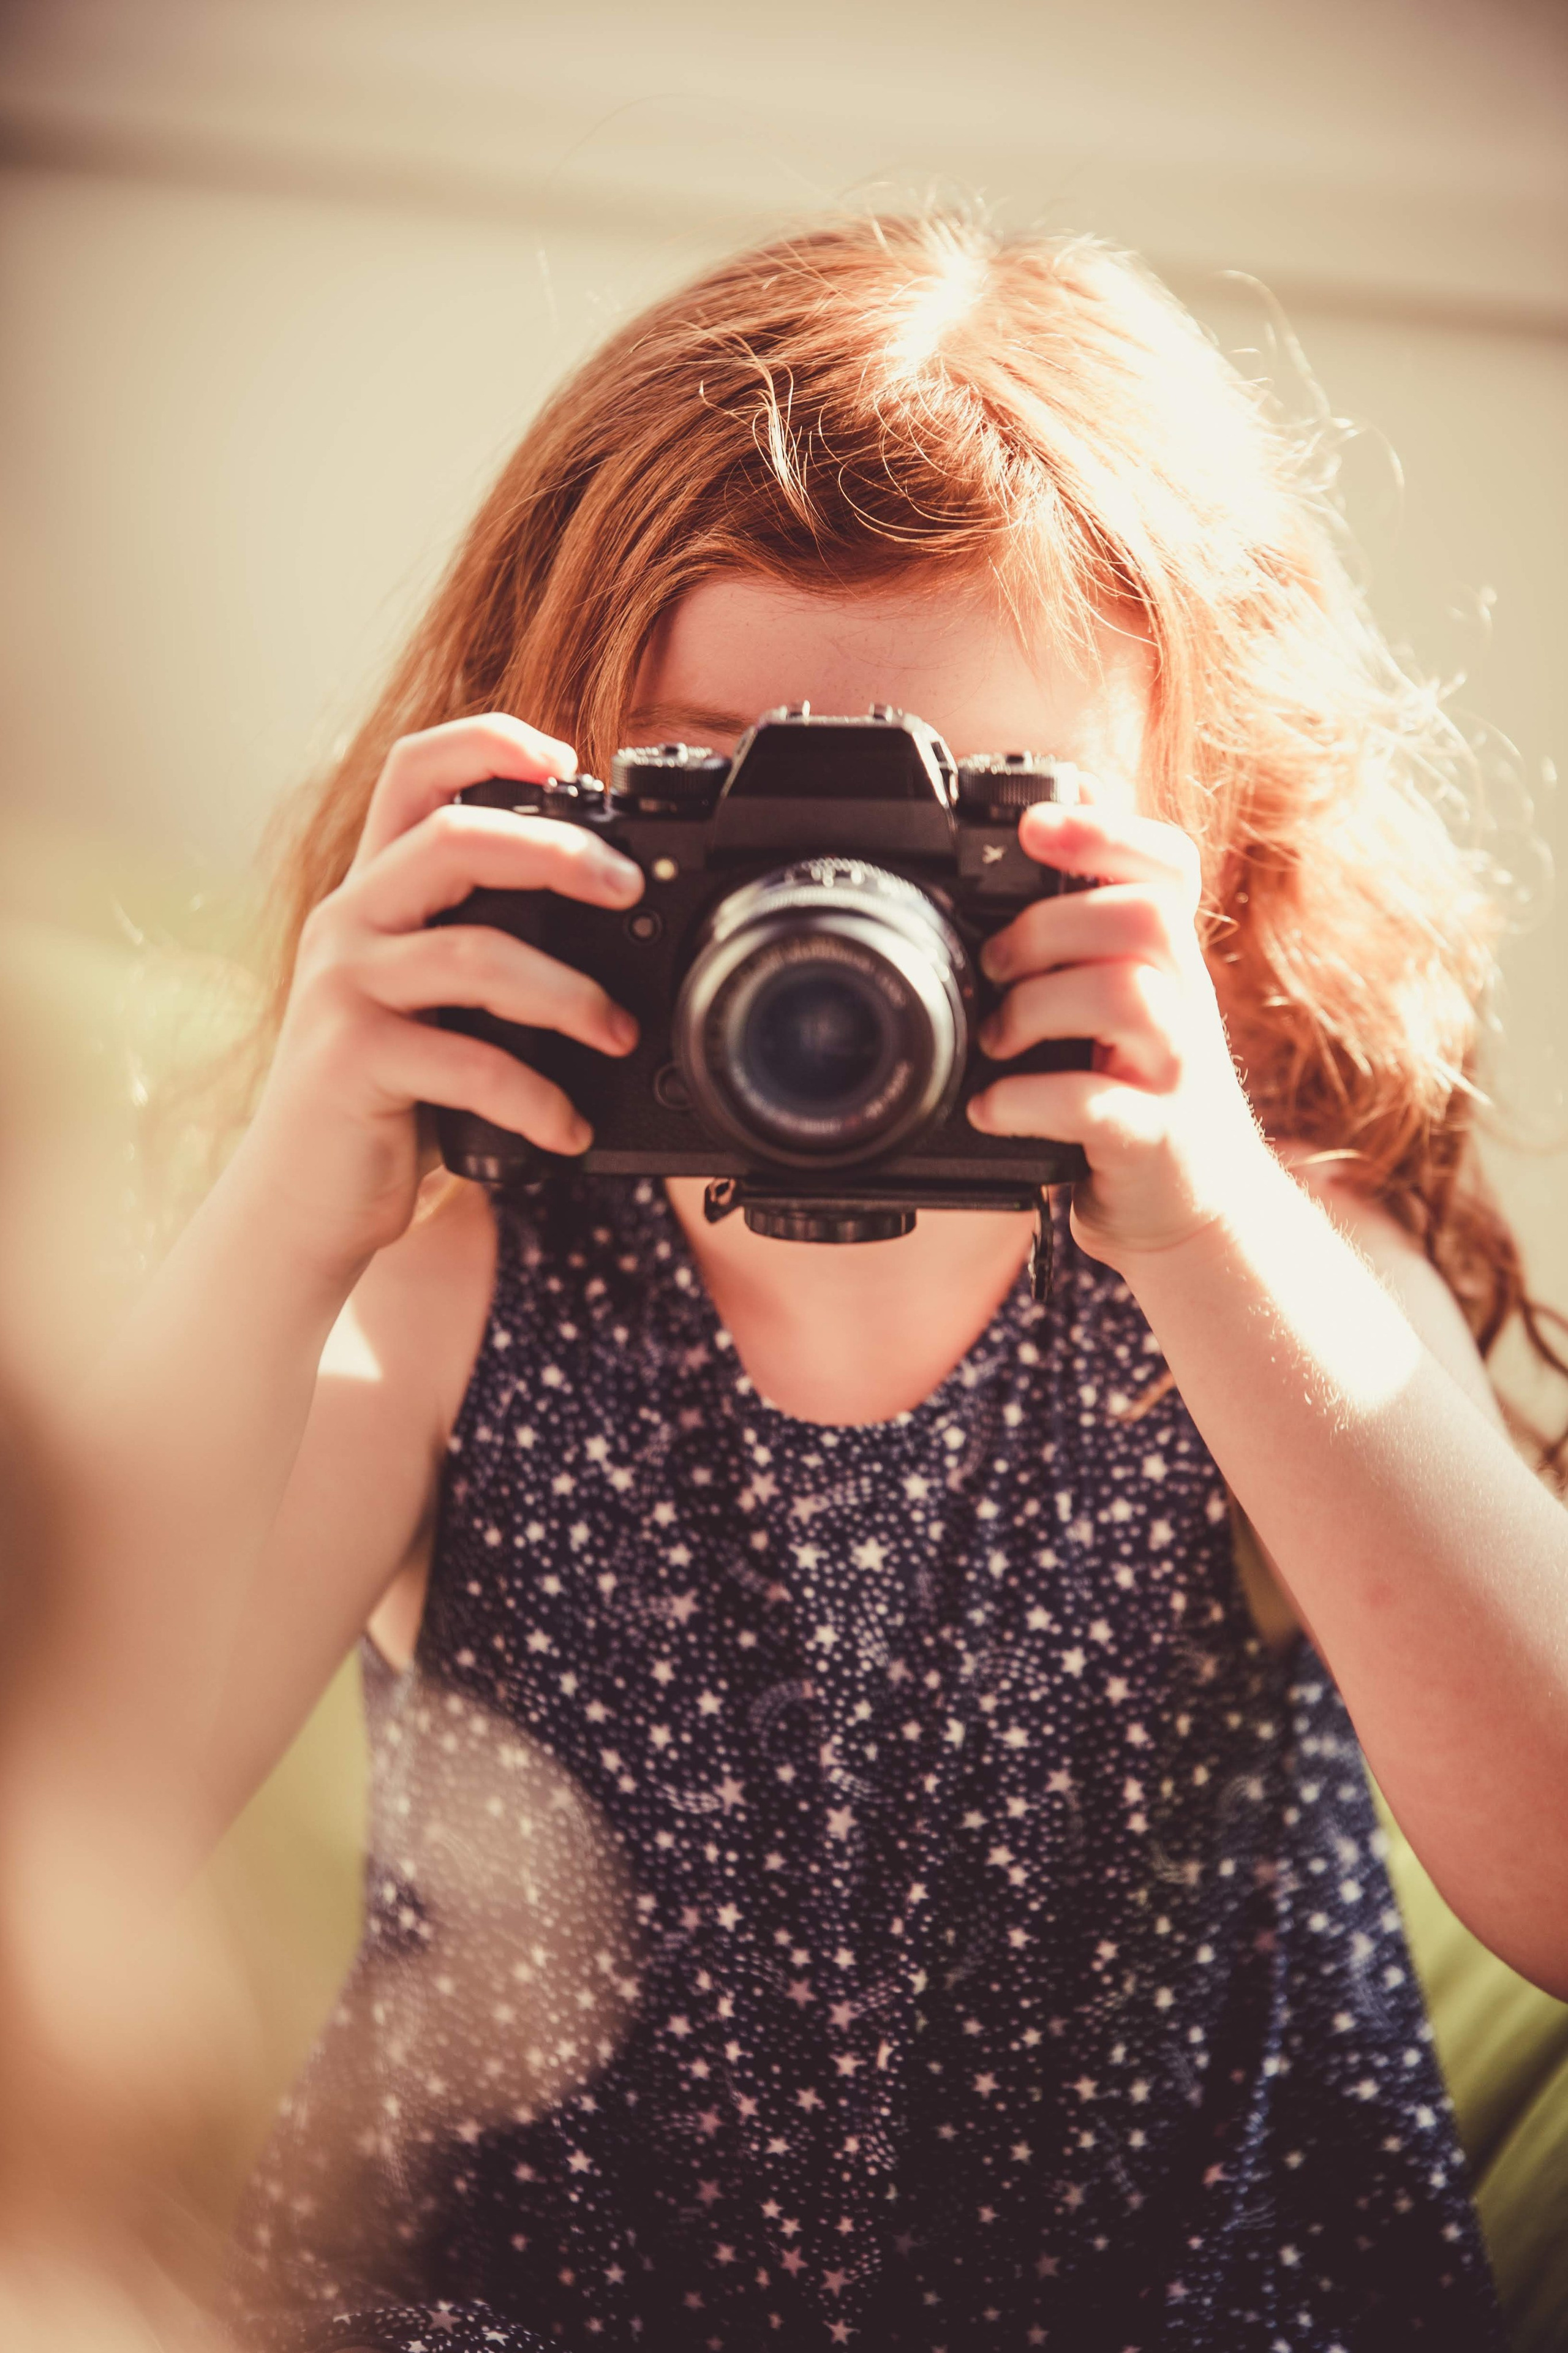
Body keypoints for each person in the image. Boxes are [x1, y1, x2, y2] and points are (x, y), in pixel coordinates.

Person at [76, 213, 1568, 2352]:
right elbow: (69, 1813)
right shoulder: (453, 1287)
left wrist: (1215, 1215)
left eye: (985, 823)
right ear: (543, 790)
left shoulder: (1274, 1278)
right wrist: (300, 1196)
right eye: (720, 805)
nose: (833, 931)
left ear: (1203, 848)